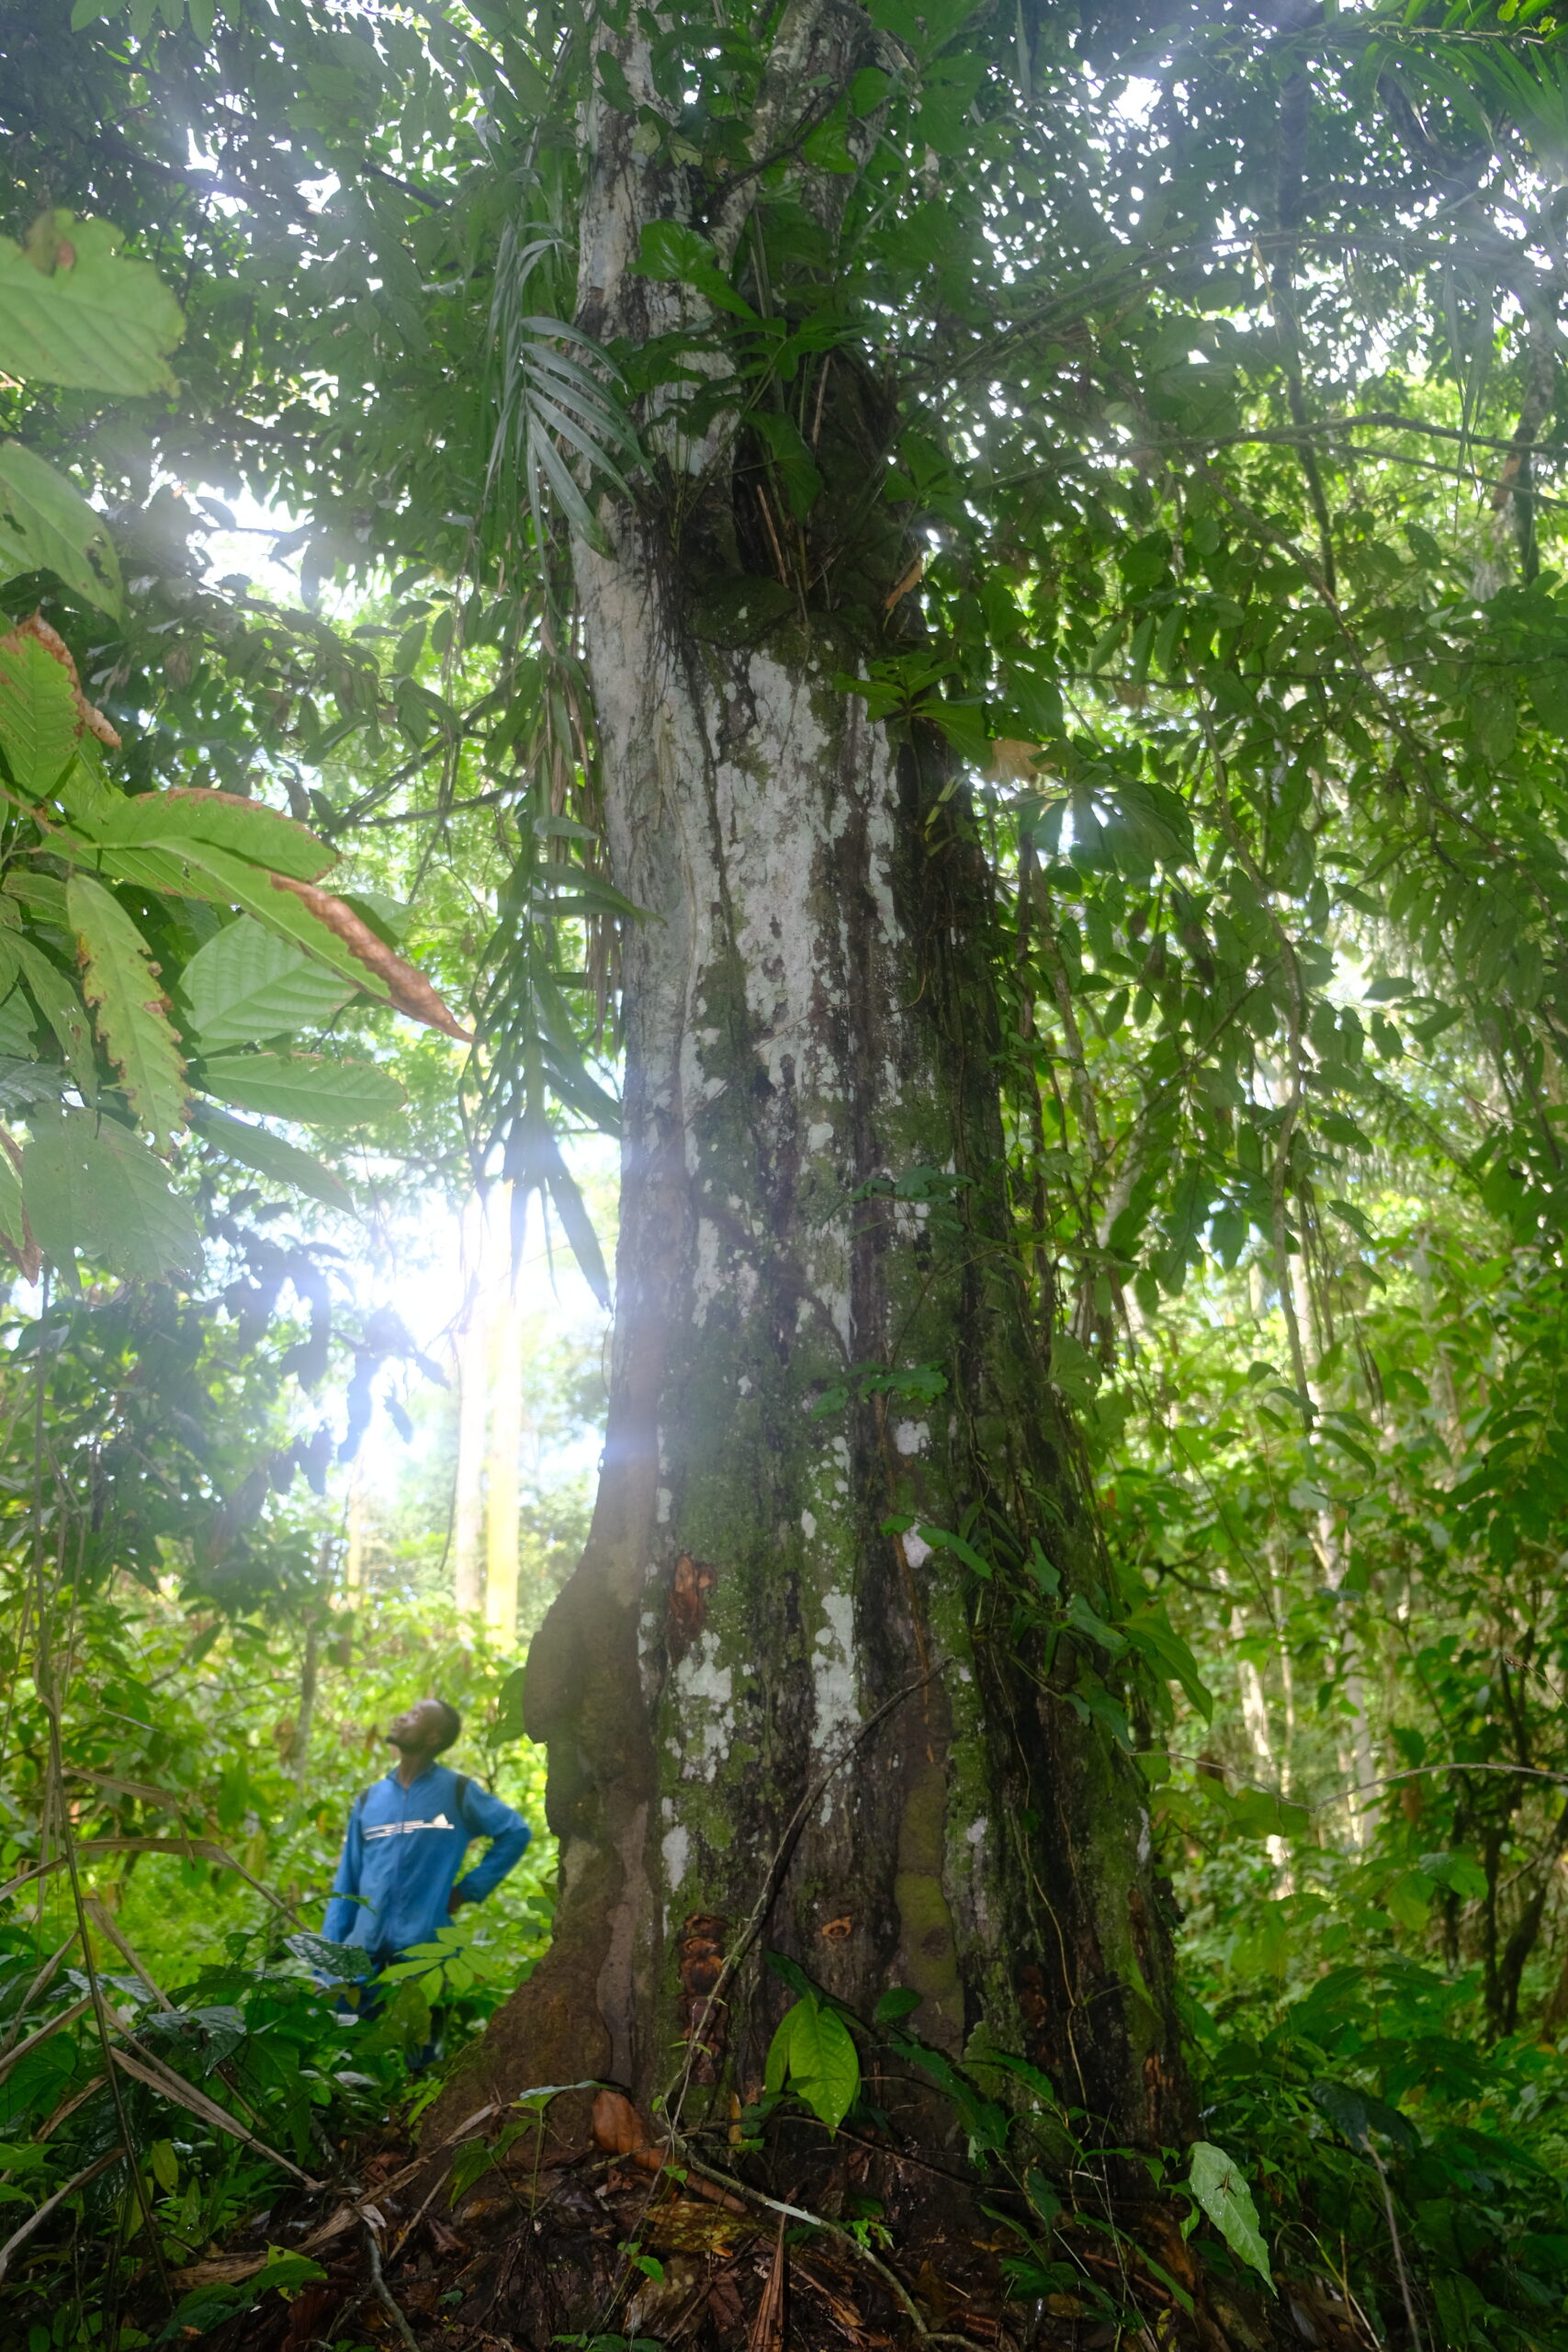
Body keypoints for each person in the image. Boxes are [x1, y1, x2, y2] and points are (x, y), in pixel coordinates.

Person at [321, 1697, 530, 1986]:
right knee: (342, 2030)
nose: (402, 1717)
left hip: (424, 1958)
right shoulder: (370, 1799)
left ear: (433, 1737)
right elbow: (347, 1884)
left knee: (419, 2032)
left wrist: (467, 1890)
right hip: (360, 1959)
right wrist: (325, 1966)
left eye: (415, 1715)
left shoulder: (457, 1791)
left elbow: (516, 1832)